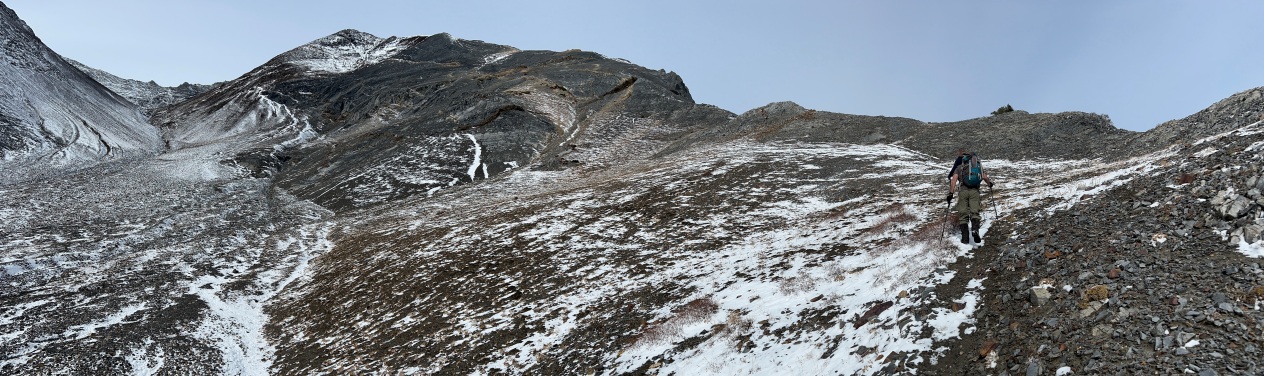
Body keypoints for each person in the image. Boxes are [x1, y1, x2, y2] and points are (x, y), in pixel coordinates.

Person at [946, 152, 994, 244]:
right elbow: (984, 177)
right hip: (975, 192)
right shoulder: (976, 167)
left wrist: (951, 193)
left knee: (963, 214)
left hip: (963, 192)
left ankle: (965, 239)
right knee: (974, 212)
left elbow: (954, 180)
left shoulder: (959, 168)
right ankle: (975, 230)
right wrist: (989, 184)